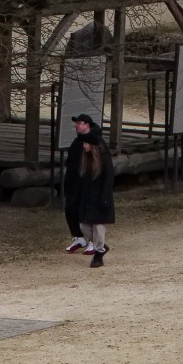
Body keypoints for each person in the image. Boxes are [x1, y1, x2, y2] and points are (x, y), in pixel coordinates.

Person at [59, 110, 116, 267]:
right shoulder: (82, 154)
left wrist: (105, 196)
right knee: (83, 222)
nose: (83, 145)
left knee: (98, 225)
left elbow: (108, 177)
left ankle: (98, 253)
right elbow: (77, 173)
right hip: (86, 194)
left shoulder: (101, 154)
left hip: (98, 195)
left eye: (79, 123)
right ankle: (93, 243)